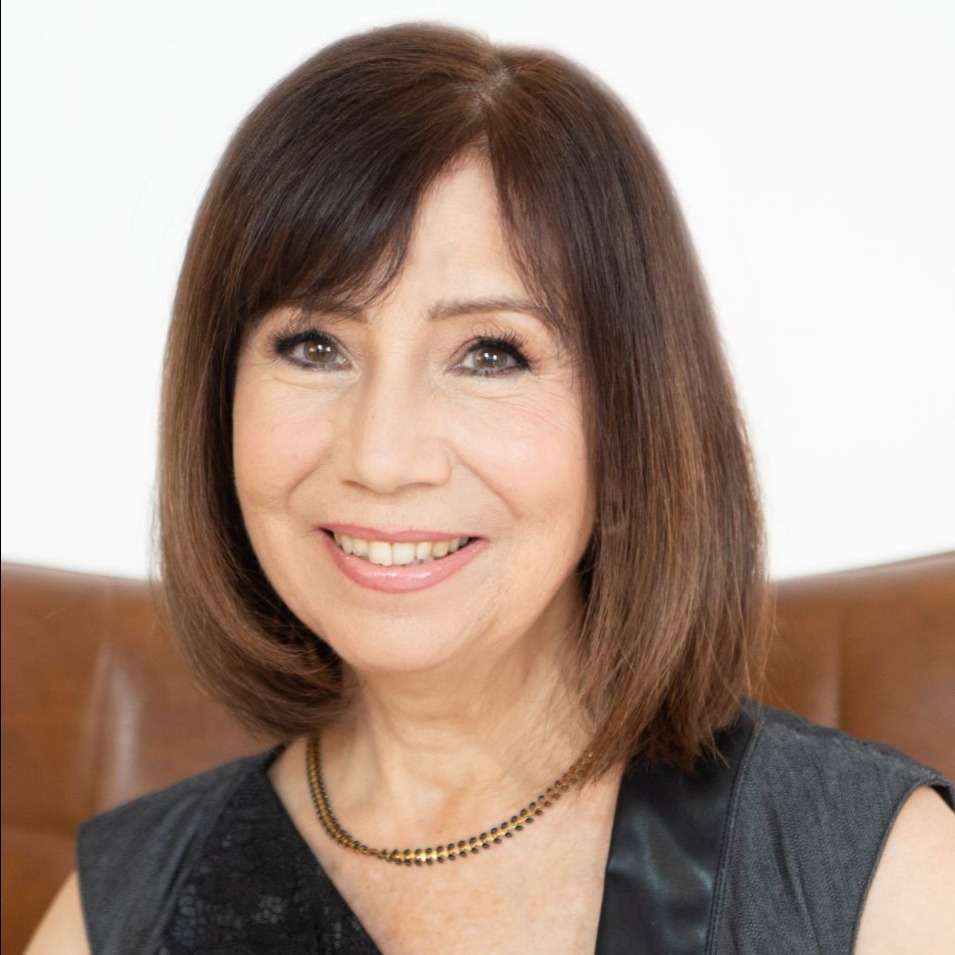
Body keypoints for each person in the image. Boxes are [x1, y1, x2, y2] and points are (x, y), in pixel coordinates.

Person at [26, 22, 954, 955]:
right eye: (314, 346)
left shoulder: (877, 879)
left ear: (630, 418)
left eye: (489, 354)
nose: (381, 456)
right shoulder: (115, 916)